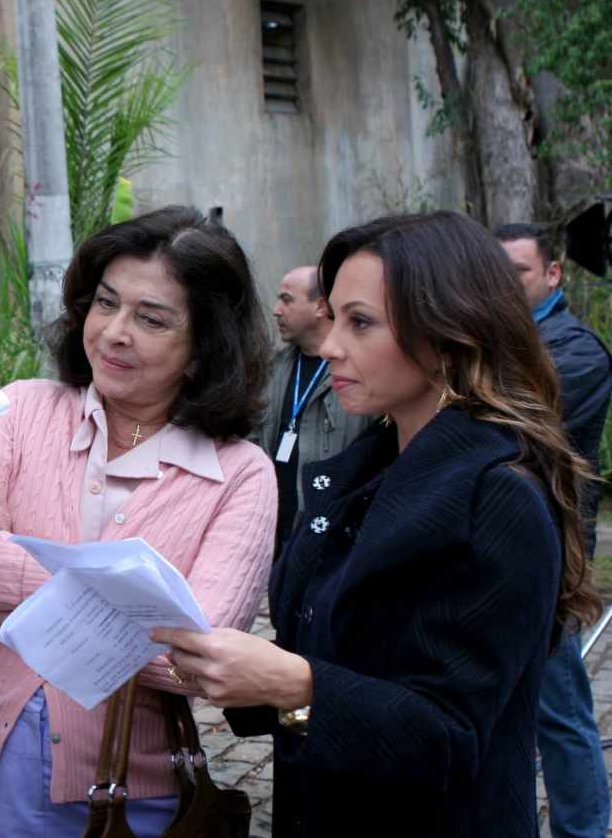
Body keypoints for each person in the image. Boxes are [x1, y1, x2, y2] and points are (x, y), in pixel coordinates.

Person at [155, 211, 604, 838]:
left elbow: (451, 737)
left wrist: (294, 683)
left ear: (449, 331)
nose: (332, 343)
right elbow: (335, 649)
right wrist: (233, 669)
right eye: (334, 318)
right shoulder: (361, 474)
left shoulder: (498, 494)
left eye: (360, 322)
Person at [0, 207, 277, 836]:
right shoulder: (22, 409)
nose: (113, 331)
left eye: (151, 318)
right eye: (105, 303)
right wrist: (129, 606)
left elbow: (196, 660)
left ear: (203, 348)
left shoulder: (240, 473)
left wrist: (8, 557)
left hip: (132, 801)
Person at [497, 221, 611, 838]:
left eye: (516, 272)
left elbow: (520, 430)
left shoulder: (577, 350)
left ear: (551, 275)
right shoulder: (502, 344)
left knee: (558, 709)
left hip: (551, 559)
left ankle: (584, 830)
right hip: (495, 549)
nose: (505, 285)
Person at [254, 265, 372, 556]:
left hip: (332, 542)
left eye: (287, 299)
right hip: (275, 540)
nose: (276, 310)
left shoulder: (357, 373)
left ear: (320, 307)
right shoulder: (273, 369)